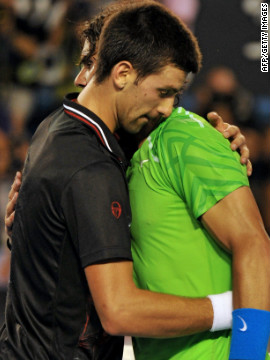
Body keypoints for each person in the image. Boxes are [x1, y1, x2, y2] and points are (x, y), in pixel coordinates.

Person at [0, 1, 253, 359]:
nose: (168, 108)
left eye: (175, 95)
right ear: (121, 73)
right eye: (164, 92)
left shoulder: (55, 128)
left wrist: (214, 140)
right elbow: (120, 311)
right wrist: (233, 309)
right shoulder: (92, 167)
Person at [127, 95, 270, 357]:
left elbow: (255, 245)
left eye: (91, 65)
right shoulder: (119, 157)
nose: (81, 79)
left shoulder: (183, 136)